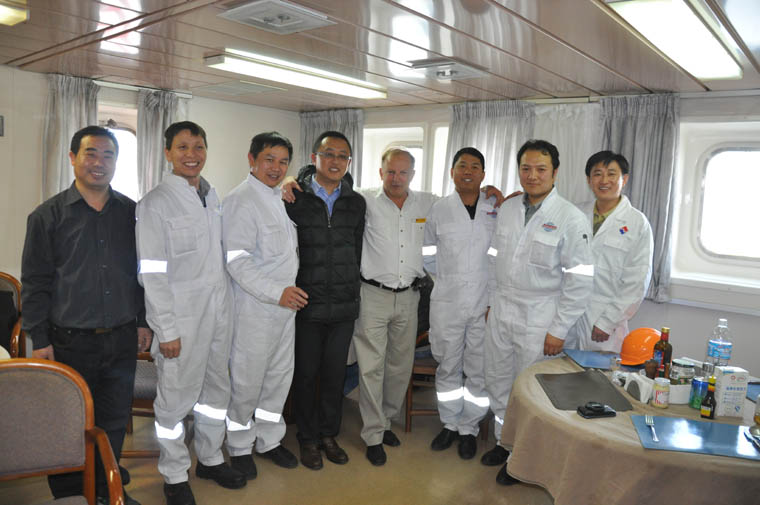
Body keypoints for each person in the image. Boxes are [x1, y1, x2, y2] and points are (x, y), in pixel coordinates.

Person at [21, 125, 151, 505]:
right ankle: (70, 495)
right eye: (91, 153)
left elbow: (142, 274)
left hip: (121, 338)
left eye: (108, 155)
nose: (99, 162)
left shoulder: (132, 213)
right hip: (68, 342)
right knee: (67, 422)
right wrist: (39, 338)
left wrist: (143, 320)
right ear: (73, 158)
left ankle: (107, 491)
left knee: (113, 421)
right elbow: (36, 282)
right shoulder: (47, 216)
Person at [136, 121, 245, 505]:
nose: (191, 154)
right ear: (168, 152)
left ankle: (211, 458)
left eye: (198, 146)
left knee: (216, 392)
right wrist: (165, 329)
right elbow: (152, 273)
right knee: (175, 400)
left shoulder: (211, 196)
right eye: (182, 147)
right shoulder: (155, 203)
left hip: (218, 314)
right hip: (180, 321)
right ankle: (174, 474)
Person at [483, 139, 594, 485]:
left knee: (530, 389)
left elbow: (579, 280)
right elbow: (493, 258)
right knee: (498, 379)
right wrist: (490, 302)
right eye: (526, 168)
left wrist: (559, 329)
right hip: (502, 306)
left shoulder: (570, 218)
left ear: (555, 173)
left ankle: (523, 459)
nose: (532, 175)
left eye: (541, 169)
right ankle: (504, 442)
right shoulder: (509, 209)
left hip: (540, 314)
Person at [284, 131, 366, 471]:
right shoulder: (293, 197)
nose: (335, 161)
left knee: (334, 375)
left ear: (349, 162)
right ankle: (307, 438)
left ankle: (329, 434)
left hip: (344, 305)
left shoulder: (356, 202)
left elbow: (357, 251)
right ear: (314, 158)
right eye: (328, 154)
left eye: (342, 155)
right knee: (305, 375)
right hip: (307, 303)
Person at [352, 148, 439, 466]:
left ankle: (385, 420)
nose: (396, 178)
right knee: (371, 367)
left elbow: (464, 201)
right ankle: (373, 434)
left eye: (403, 172)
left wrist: (493, 195)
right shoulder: (364, 199)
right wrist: (291, 181)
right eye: (390, 171)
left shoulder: (428, 202)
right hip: (372, 295)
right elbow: (326, 190)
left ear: (413, 175)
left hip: (409, 297)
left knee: (400, 366)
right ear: (381, 173)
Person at [222, 132, 301, 479]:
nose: (276, 168)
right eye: (269, 159)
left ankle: (269, 440)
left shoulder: (279, 197)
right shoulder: (240, 200)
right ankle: (240, 446)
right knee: (246, 382)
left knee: (278, 379)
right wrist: (275, 292)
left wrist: (283, 297)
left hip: (284, 310)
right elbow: (237, 261)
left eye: (283, 162)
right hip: (254, 308)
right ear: (252, 159)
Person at [423, 147, 496, 460]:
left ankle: (469, 428)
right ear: (452, 172)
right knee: (448, 365)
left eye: (474, 166)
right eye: (462, 166)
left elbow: (501, 254)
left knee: (479, 369)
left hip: (484, 301)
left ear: (483, 174)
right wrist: (448, 280)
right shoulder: (439, 209)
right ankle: (450, 424)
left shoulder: (495, 208)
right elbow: (427, 254)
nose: (468, 171)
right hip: (448, 301)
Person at [564, 151, 653, 352]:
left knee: (597, 370)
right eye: (597, 174)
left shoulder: (637, 223)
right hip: (568, 311)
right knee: (558, 367)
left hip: (603, 317)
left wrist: (608, 321)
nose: (604, 180)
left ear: (624, 179)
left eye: (611, 174)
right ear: (589, 180)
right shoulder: (574, 214)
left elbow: (637, 280)